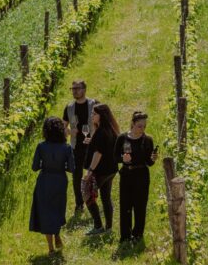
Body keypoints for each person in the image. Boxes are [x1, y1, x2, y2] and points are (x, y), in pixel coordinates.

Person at [29, 117, 75, 254]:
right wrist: (60, 166)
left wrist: (46, 164)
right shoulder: (67, 148)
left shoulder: (41, 146)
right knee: (57, 209)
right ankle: (57, 234)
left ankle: (50, 248)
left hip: (44, 181)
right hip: (60, 180)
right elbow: (72, 168)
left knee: (45, 211)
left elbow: (34, 167)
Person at [115, 111, 157, 243]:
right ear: (132, 124)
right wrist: (123, 158)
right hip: (127, 174)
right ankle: (125, 236)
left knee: (140, 206)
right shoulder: (122, 138)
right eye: (140, 126)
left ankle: (138, 234)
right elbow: (114, 157)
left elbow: (149, 163)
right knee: (125, 205)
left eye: (144, 126)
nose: (142, 129)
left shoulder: (147, 140)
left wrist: (153, 159)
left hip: (141, 175)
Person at [82, 102, 119, 235]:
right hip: (111, 170)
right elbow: (104, 146)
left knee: (87, 194)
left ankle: (98, 226)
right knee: (106, 197)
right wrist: (92, 141)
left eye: (94, 113)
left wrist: (90, 171)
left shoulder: (101, 132)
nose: (92, 115)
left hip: (101, 171)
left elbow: (98, 154)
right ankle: (108, 228)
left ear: (101, 116)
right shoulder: (111, 129)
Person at [62, 80, 95, 214]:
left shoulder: (94, 104)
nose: (75, 91)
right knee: (76, 176)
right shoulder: (69, 107)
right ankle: (79, 204)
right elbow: (63, 127)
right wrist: (70, 131)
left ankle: (93, 202)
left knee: (93, 175)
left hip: (92, 146)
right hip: (76, 147)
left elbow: (102, 123)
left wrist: (94, 137)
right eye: (73, 88)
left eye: (77, 88)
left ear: (84, 89)